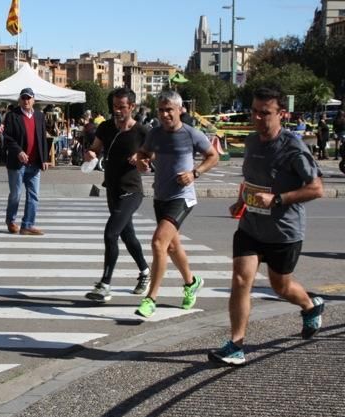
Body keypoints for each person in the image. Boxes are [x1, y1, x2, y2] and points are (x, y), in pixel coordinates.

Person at [208, 88, 325, 366]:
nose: (258, 118)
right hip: (251, 227)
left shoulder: (294, 148)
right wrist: (240, 201)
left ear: (281, 114)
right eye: (254, 111)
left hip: (284, 231)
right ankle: (236, 345)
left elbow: (317, 188)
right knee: (240, 280)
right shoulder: (251, 142)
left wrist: (278, 199)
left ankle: (310, 305)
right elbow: (251, 179)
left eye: (265, 113)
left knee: (281, 286)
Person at [133, 90, 219, 318]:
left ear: (180, 110)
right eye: (161, 110)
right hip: (161, 195)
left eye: (169, 110)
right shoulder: (154, 134)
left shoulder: (192, 134)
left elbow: (213, 155)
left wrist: (195, 173)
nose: (164, 114)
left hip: (182, 197)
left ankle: (151, 298)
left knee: (158, 243)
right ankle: (191, 283)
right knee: (172, 247)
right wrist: (142, 162)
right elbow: (144, 153)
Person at [83, 88, 151, 302]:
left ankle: (104, 284)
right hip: (112, 189)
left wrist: (140, 156)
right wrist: (91, 153)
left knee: (111, 233)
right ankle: (145, 273)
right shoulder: (105, 127)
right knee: (127, 235)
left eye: (122, 107)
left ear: (132, 107)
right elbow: (95, 148)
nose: (118, 111)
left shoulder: (142, 131)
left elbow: (151, 158)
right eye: (115, 107)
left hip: (131, 191)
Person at [0, 87, 49, 236]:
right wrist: (19, 151)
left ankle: (27, 225)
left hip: (34, 163)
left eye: (29, 98)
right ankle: (11, 220)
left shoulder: (40, 116)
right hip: (17, 163)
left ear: (34, 100)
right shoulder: (12, 116)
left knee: (34, 195)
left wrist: (45, 158)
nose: (26, 101)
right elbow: (7, 138)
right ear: (20, 100)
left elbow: (42, 138)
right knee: (16, 194)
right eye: (24, 98)